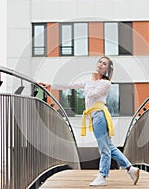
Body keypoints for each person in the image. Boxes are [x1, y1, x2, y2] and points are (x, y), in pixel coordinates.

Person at [39, 56, 140, 186]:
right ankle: (130, 169)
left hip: (99, 115)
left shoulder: (105, 83)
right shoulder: (91, 81)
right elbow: (71, 85)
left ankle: (103, 176)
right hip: (95, 116)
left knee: (104, 148)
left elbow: (91, 94)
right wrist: (51, 85)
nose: (100, 64)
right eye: (100, 62)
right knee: (109, 146)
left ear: (107, 69)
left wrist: (90, 81)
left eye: (104, 64)